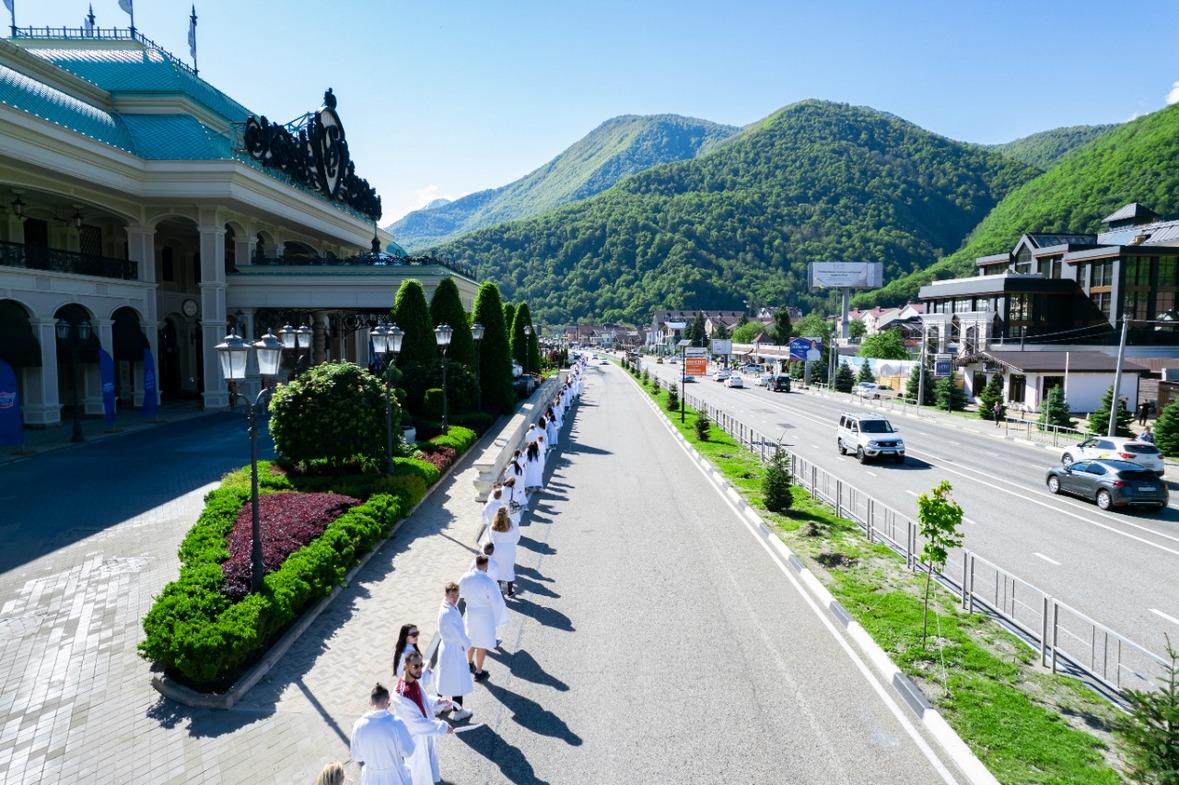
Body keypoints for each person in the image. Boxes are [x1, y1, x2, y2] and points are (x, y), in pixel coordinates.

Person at [392, 651, 453, 785]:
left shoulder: (414, 681)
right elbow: (415, 723)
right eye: (415, 666)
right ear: (405, 666)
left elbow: (423, 700)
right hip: (415, 741)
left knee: (428, 770)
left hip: (425, 735)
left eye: (421, 665)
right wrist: (441, 726)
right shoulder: (401, 694)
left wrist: (438, 702)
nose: (420, 669)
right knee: (418, 774)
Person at [350, 682, 416, 785]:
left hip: (371, 778)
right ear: (386, 701)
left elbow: (356, 756)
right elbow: (408, 751)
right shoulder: (396, 723)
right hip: (395, 777)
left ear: (370, 702)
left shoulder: (358, 725)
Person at [458, 554, 508, 681]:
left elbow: (460, 593)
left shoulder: (465, 577)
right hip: (485, 614)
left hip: (470, 612)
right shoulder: (487, 581)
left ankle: (469, 663)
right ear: (486, 566)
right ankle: (479, 671)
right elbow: (496, 600)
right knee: (482, 643)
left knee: (471, 638)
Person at [434, 582, 473, 721]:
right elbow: (459, 636)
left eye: (457, 595)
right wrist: (468, 645)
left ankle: (435, 706)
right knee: (457, 681)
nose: (455, 598)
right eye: (452, 595)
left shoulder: (446, 605)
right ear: (446, 595)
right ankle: (458, 711)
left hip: (447, 647)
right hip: (453, 649)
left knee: (444, 678)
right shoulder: (448, 613)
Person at [488, 506, 521, 597]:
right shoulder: (513, 524)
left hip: (497, 548)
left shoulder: (493, 526)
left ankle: (499, 589)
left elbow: (491, 539)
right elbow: (517, 537)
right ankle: (510, 591)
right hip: (510, 548)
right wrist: (512, 544)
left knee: (498, 568)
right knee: (509, 568)